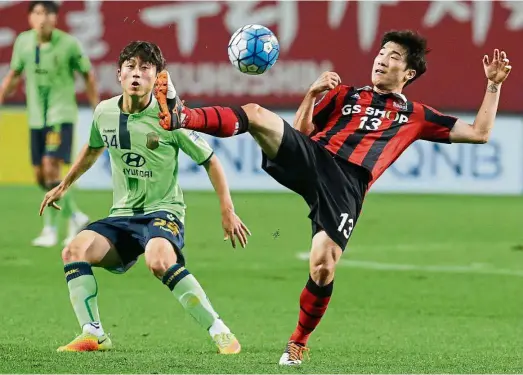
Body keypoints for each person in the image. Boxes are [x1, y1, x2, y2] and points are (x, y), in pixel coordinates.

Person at [154, 30, 512, 365]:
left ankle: (298, 342)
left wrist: (492, 86)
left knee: (323, 266)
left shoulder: (417, 116)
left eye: (394, 57)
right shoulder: (347, 95)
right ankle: (182, 115)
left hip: (347, 185)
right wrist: (311, 95)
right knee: (257, 114)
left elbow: (480, 133)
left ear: (410, 72)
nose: (382, 59)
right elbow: (303, 133)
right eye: (382, 52)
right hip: (315, 158)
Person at [39, 40, 250, 353]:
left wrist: (227, 210)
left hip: (163, 213)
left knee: (158, 259)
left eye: (145, 68)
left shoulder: (171, 119)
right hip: (121, 216)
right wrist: (64, 184)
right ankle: (93, 332)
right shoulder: (104, 112)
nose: (136, 74)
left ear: (157, 77)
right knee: (73, 249)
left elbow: (211, 161)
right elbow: (94, 147)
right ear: (119, 75)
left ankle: (220, 330)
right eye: (131, 68)